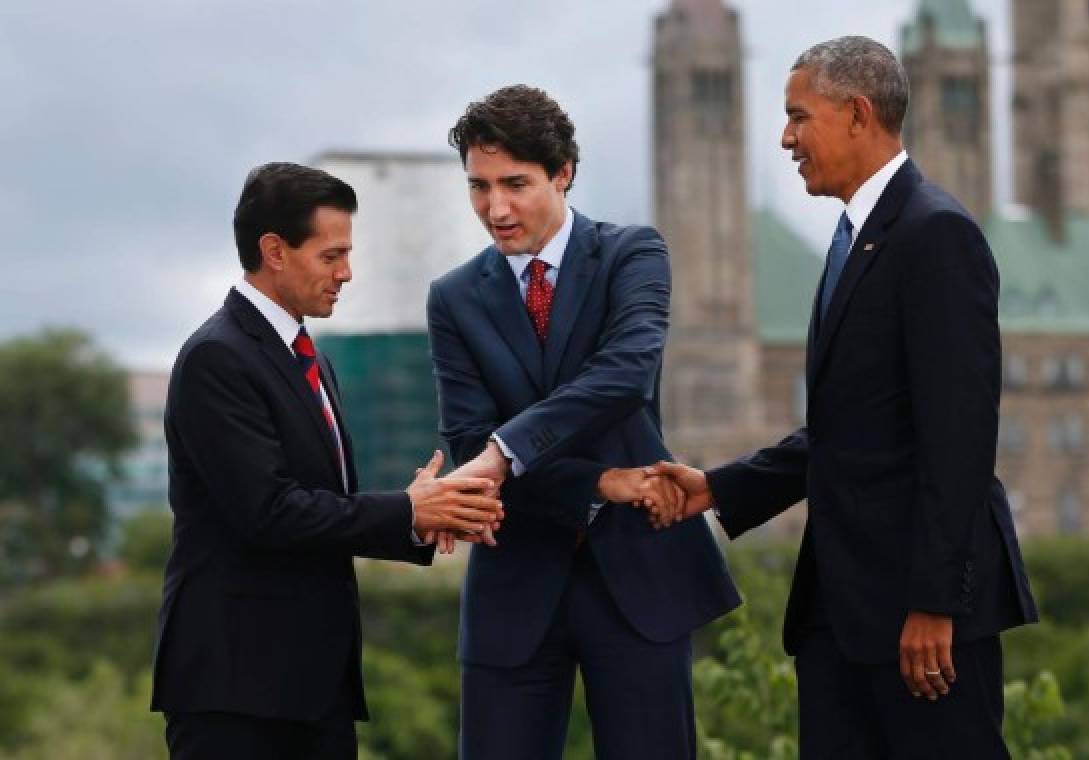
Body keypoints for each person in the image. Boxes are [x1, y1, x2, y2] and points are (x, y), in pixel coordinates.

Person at [646, 37, 1039, 759]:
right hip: (842, 614)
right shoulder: (855, 238)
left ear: (858, 114)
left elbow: (958, 438)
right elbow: (850, 426)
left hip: (919, 622)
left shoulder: (935, 233)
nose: (786, 138)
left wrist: (934, 602)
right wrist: (718, 487)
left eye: (799, 116)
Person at [426, 85, 741, 760]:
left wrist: (507, 449)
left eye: (515, 184)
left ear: (563, 172)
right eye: (478, 187)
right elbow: (463, 445)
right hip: (514, 590)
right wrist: (604, 480)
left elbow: (625, 375)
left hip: (639, 581)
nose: (495, 208)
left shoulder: (632, 254)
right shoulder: (453, 298)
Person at [150, 162, 503, 760]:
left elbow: (324, 508)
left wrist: (420, 514)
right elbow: (270, 512)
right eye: (331, 255)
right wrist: (407, 512)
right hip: (238, 692)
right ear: (275, 251)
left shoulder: (309, 357)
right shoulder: (218, 358)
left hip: (312, 687)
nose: (346, 273)